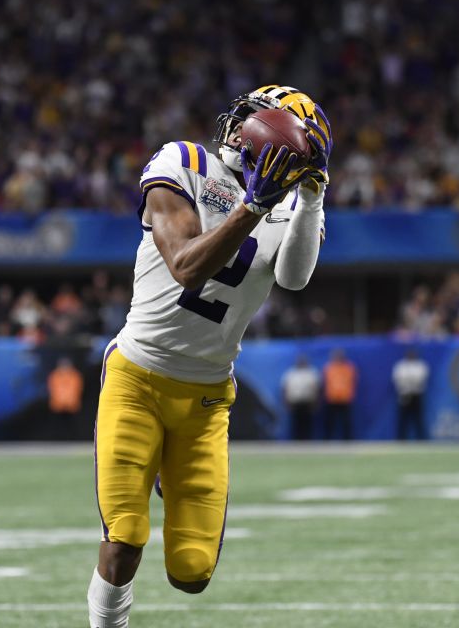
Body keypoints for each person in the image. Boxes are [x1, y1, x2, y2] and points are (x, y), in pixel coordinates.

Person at [89, 85, 330, 627]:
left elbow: (292, 280)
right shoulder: (183, 160)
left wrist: (309, 199)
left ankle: (165, 465)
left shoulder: (291, 206)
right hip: (138, 377)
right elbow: (186, 267)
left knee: (192, 572)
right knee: (125, 537)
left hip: (205, 396)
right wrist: (252, 204)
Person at [281, 354, 321, 440]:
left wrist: (316, 401)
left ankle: (307, 440)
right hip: (295, 401)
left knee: (307, 423)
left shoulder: (311, 373)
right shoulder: (291, 373)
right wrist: (286, 401)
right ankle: (296, 441)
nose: (301, 363)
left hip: (307, 401)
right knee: (296, 423)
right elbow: (285, 388)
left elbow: (316, 388)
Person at [392, 347, 429, 440]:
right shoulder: (401, 366)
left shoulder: (420, 365)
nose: (411, 356)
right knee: (403, 418)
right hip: (404, 394)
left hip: (416, 394)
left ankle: (421, 438)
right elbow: (398, 379)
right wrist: (409, 382)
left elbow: (421, 378)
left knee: (418, 418)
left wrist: (409, 381)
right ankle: (401, 438)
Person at [322, 348, 357, 440]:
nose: (337, 358)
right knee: (329, 422)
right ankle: (327, 439)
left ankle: (348, 439)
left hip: (345, 398)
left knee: (346, 422)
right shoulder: (329, 368)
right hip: (332, 398)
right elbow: (326, 382)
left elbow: (351, 382)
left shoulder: (348, 368)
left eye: (339, 356)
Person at [47, 357, 84, 439]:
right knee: (57, 425)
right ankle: (56, 439)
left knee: (71, 425)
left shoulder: (74, 375)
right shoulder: (55, 375)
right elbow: (53, 388)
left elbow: (77, 388)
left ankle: (72, 439)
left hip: (71, 405)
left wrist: (69, 401)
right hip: (58, 404)